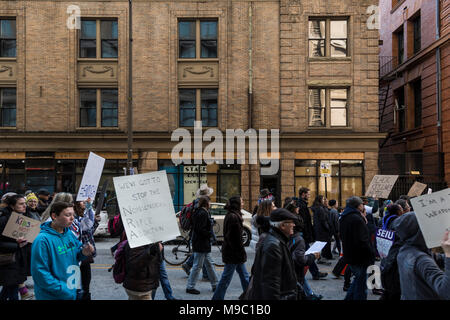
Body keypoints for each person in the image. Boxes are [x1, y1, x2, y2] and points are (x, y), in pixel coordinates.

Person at [30, 202, 94, 300]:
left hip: (71, 291)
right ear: (54, 216)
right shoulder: (42, 240)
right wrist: (62, 289)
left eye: (73, 214)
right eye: (68, 215)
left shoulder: (69, 234)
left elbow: (76, 256)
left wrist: (84, 253)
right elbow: (40, 273)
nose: (72, 218)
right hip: (52, 295)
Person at [244, 208, 298, 300]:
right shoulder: (273, 245)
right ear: (283, 225)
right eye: (291, 222)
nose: (294, 225)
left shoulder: (278, 240)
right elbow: (270, 283)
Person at [396, 212, 450, 300]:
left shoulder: (405, 250)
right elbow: (446, 292)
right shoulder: (422, 260)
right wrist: (448, 254)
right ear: (420, 230)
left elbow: (437, 257)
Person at [212, 196, 250, 300]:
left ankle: (249, 296)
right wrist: (241, 252)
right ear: (237, 203)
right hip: (233, 254)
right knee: (226, 278)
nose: (243, 203)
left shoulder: (232, 215)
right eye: (242, 201)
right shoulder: (234, 217)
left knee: (244, 277)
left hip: (234, 253)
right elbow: (235, 239)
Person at [339, 196, 375, 300]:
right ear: (359, 206)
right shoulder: (357, 219)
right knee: (361, 286)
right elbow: (363, 240)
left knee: (358, 281)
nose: (363, 206)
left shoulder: (344, 216)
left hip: (351, 254)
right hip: (360, 257)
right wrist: (371, 253)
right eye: (362, 204)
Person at [285, 202, 323, 300]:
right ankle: (309, 294)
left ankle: (309, 293)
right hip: (291, 273)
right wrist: (313, 256)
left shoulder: (292, 237)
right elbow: (299, 259)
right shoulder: (297, 239)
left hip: (291, 272)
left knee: (300, 279)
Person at [0, 194, 31, 300]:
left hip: (18, 258)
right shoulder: (3, 219)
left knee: (9, 287)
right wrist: (16, 244)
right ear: (13, 206)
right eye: (21, 204)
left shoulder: (23, 218)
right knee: (12, 288)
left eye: (25, 204)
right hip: (8, 260)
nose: (24, 206)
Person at [186, 196, 218, 294]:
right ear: (206, 203)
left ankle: (215, 285)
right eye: (209, 202)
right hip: (202, 244)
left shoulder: (198, 212)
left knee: (209, 264)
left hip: (200, 243)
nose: (210, 204)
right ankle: (190, 287)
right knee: (197, 266)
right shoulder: (203, 213)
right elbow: (201, 229)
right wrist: (210, 234)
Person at [181, 184, 214, 280]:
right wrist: (208, 231)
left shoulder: (199, 202)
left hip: (198, 233)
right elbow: (199, 222)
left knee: (201, 254)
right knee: (201, 253)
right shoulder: (199, 204)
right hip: (199, 234)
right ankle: (200, 277)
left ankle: (191, 267)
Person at [72, 198, 101, 300]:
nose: (84, 202)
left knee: (86, 284)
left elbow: (89, 231)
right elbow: (83, 230)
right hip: (75, 256)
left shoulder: (85, 214)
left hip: (85, 255)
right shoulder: (73, 217)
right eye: (81, 201)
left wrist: (95, 222)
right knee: (74, 286)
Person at [296, 187, 327, 280]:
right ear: (303, 194)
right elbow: (304, 222)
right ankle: (314, 273)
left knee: (308, 254)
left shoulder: (303, 204)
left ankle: (315, 272)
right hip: (302, 235)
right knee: (309, 254)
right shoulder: (301, 205)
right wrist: (307, 234)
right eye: (308, 194)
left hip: (303, 234)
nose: (309, 196)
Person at [311, 195, 333, 262]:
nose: (324, 201)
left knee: (319, 244)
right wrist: (328, 228)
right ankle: (316, 258)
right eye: (323, 199)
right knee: (320, 244)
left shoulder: (317, 208)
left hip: (318, 229)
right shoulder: (320, 208)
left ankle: (319, 257)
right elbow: (323, 220)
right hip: (322, 230)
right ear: (320, 200)